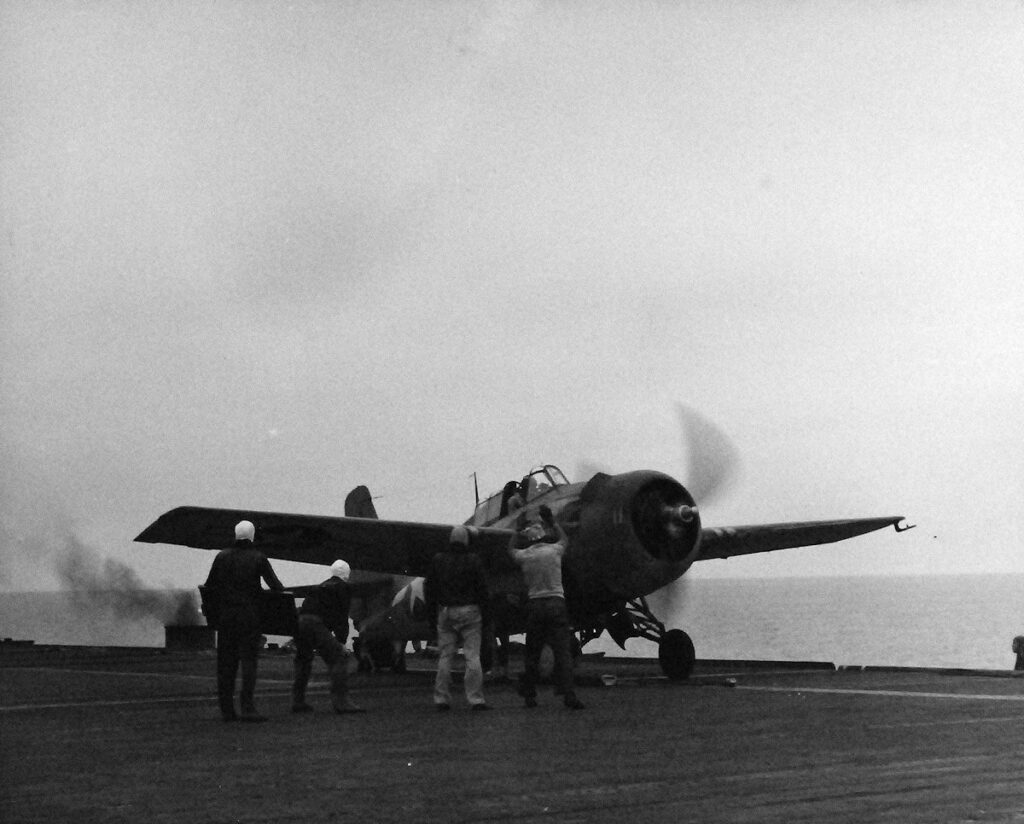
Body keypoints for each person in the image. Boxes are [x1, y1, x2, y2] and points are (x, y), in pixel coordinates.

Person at [203, 520, 285, 722]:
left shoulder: (221, 557)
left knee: (226, 664)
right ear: (252, 536)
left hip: (226, 617)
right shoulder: (258, 557)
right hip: (249, 616)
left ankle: (227, 710)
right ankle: (247, 708)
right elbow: (276, 586)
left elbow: (210, 586)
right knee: (248, 662)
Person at [508, 505, 584, 710]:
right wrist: (552, 521)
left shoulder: (525, 556)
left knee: (532, 652)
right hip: (556, 604)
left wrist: (517, 529)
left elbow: (511, 550)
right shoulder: (554, 551)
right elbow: (565, 540)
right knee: (563, 652)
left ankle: (530, 696)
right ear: (543, 536)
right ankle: (569, 695)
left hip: (535, 605)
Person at [424, 525, 490, 711]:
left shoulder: (438, 560)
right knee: (472, 656)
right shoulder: (474, 560)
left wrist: (432, 618)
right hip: (470, 612)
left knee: (445, 656)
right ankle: (476, 699)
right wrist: (487, 615)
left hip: (446, 612)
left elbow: (430, 590)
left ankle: (441, 699)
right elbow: (483, 590)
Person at [291, 559, 365, 715]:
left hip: (301, 622)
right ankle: (341, 702)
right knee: (338, 658)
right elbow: (341, 616)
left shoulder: (320, 586)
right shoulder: (343, 587)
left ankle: (298, 701)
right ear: (347, 574)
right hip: (316, 623)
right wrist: (341, 641)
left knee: (303, 660)